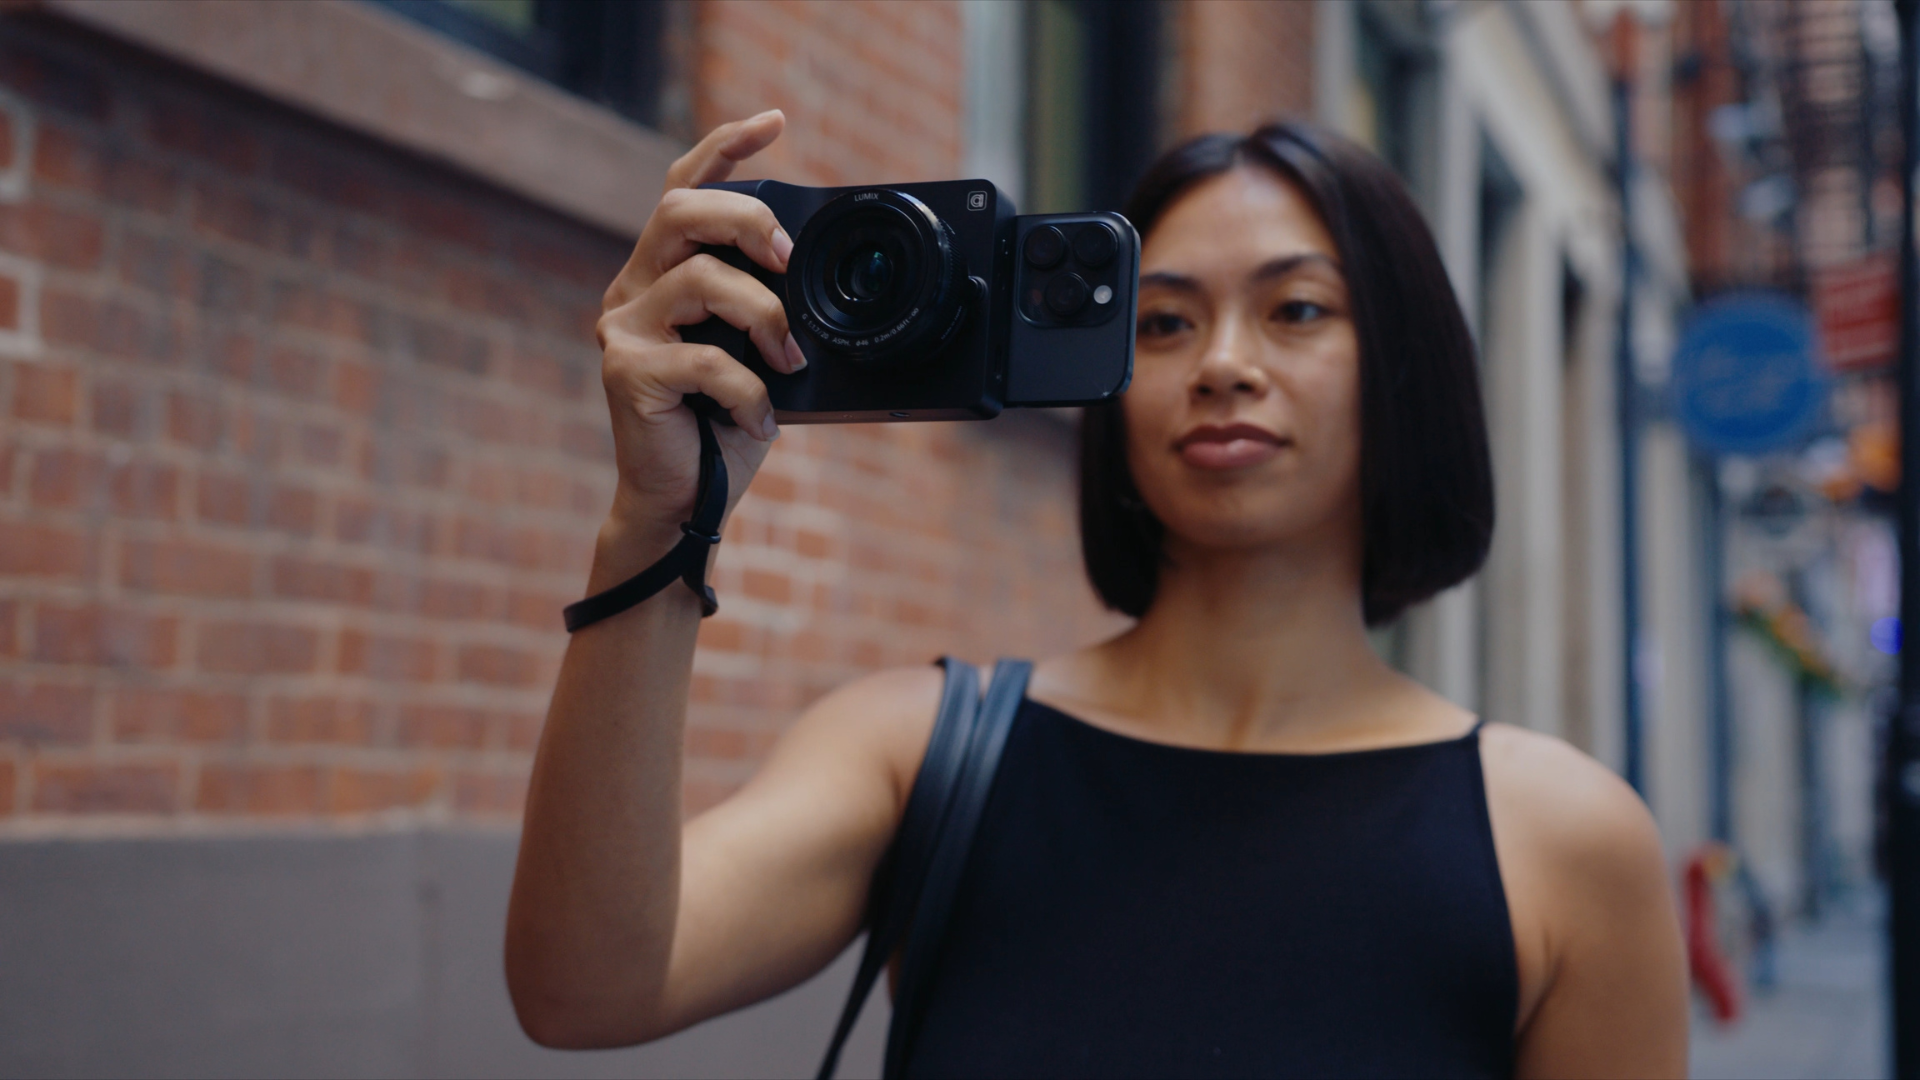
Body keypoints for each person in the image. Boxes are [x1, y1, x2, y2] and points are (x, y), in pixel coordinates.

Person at [505, 109, 1690, 1078]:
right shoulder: (921, 750)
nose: (1223, 363)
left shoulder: (1565, 841)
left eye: (1297, 309)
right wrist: (659, 521)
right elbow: (588, 986)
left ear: (1405, 365)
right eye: (1162, 320)